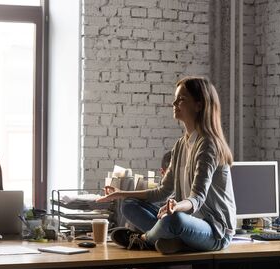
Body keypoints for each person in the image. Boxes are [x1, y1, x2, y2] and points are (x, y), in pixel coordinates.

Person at [98, 76, 236, 255]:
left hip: (215, 232)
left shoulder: (208, 145)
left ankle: (143, 240)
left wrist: (176, 207)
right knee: (129, 205)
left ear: (199, 105)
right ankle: (175, 241)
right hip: (188, 223)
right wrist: (120, 194)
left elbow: (197, 198)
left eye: (181, 99)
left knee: (174, 219)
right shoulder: (180, 145)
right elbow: (163, 191)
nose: (174, 103)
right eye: (175, 99)